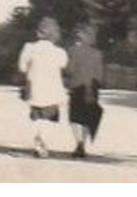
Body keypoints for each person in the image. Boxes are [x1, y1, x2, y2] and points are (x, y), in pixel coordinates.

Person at [17, 16, 70, 158]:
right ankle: (42, 142)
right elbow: (63, 66)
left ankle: (38, 142)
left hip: (34, 86)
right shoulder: (60, 52)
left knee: (37, 116)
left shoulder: (29, 48)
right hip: (52, 88)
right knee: (49, 118)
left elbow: (22, 67)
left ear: (38, 33)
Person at [65, 23, 106, 159]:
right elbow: (99, 75)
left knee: (75, 117)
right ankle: (84, 144)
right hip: (92, 89)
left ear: (82, 36)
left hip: (77, 86)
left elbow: (69, 70)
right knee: (87, 117)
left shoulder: (73, 50)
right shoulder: (98, 53)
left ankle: (79, 143)